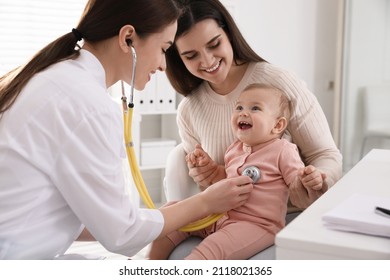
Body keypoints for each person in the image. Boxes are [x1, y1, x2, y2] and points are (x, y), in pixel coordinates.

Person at [0, 0, 254, 260]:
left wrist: (162, 217)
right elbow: (122, 234)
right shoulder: (88, 104)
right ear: (128, 38)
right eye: (164, 48)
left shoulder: (57, 77)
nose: (164, 65)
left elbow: (84, 216)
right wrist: (205, 203)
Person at [164, 0, 342, 211]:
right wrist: (203, 175)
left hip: (288, 217)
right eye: (191, 55)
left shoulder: (278, 83)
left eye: (214, 45)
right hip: (228, 221)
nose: (207, 61)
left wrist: (317, 182)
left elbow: (326, 155)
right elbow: (211, 187)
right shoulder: (189, 110)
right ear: (178, 59)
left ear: (228, 34)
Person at [148, 83, 324, 260]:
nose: (243, 112)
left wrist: (307, 179)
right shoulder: (234, 149)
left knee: (212, 248)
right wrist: (209, 167)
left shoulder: (283, 150)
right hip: (219, 216)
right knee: (173, 214)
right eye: (239, 107)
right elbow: (225, 178)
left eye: (255, 108)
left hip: (255, 224)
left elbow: (296, 184)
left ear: (277, 125)